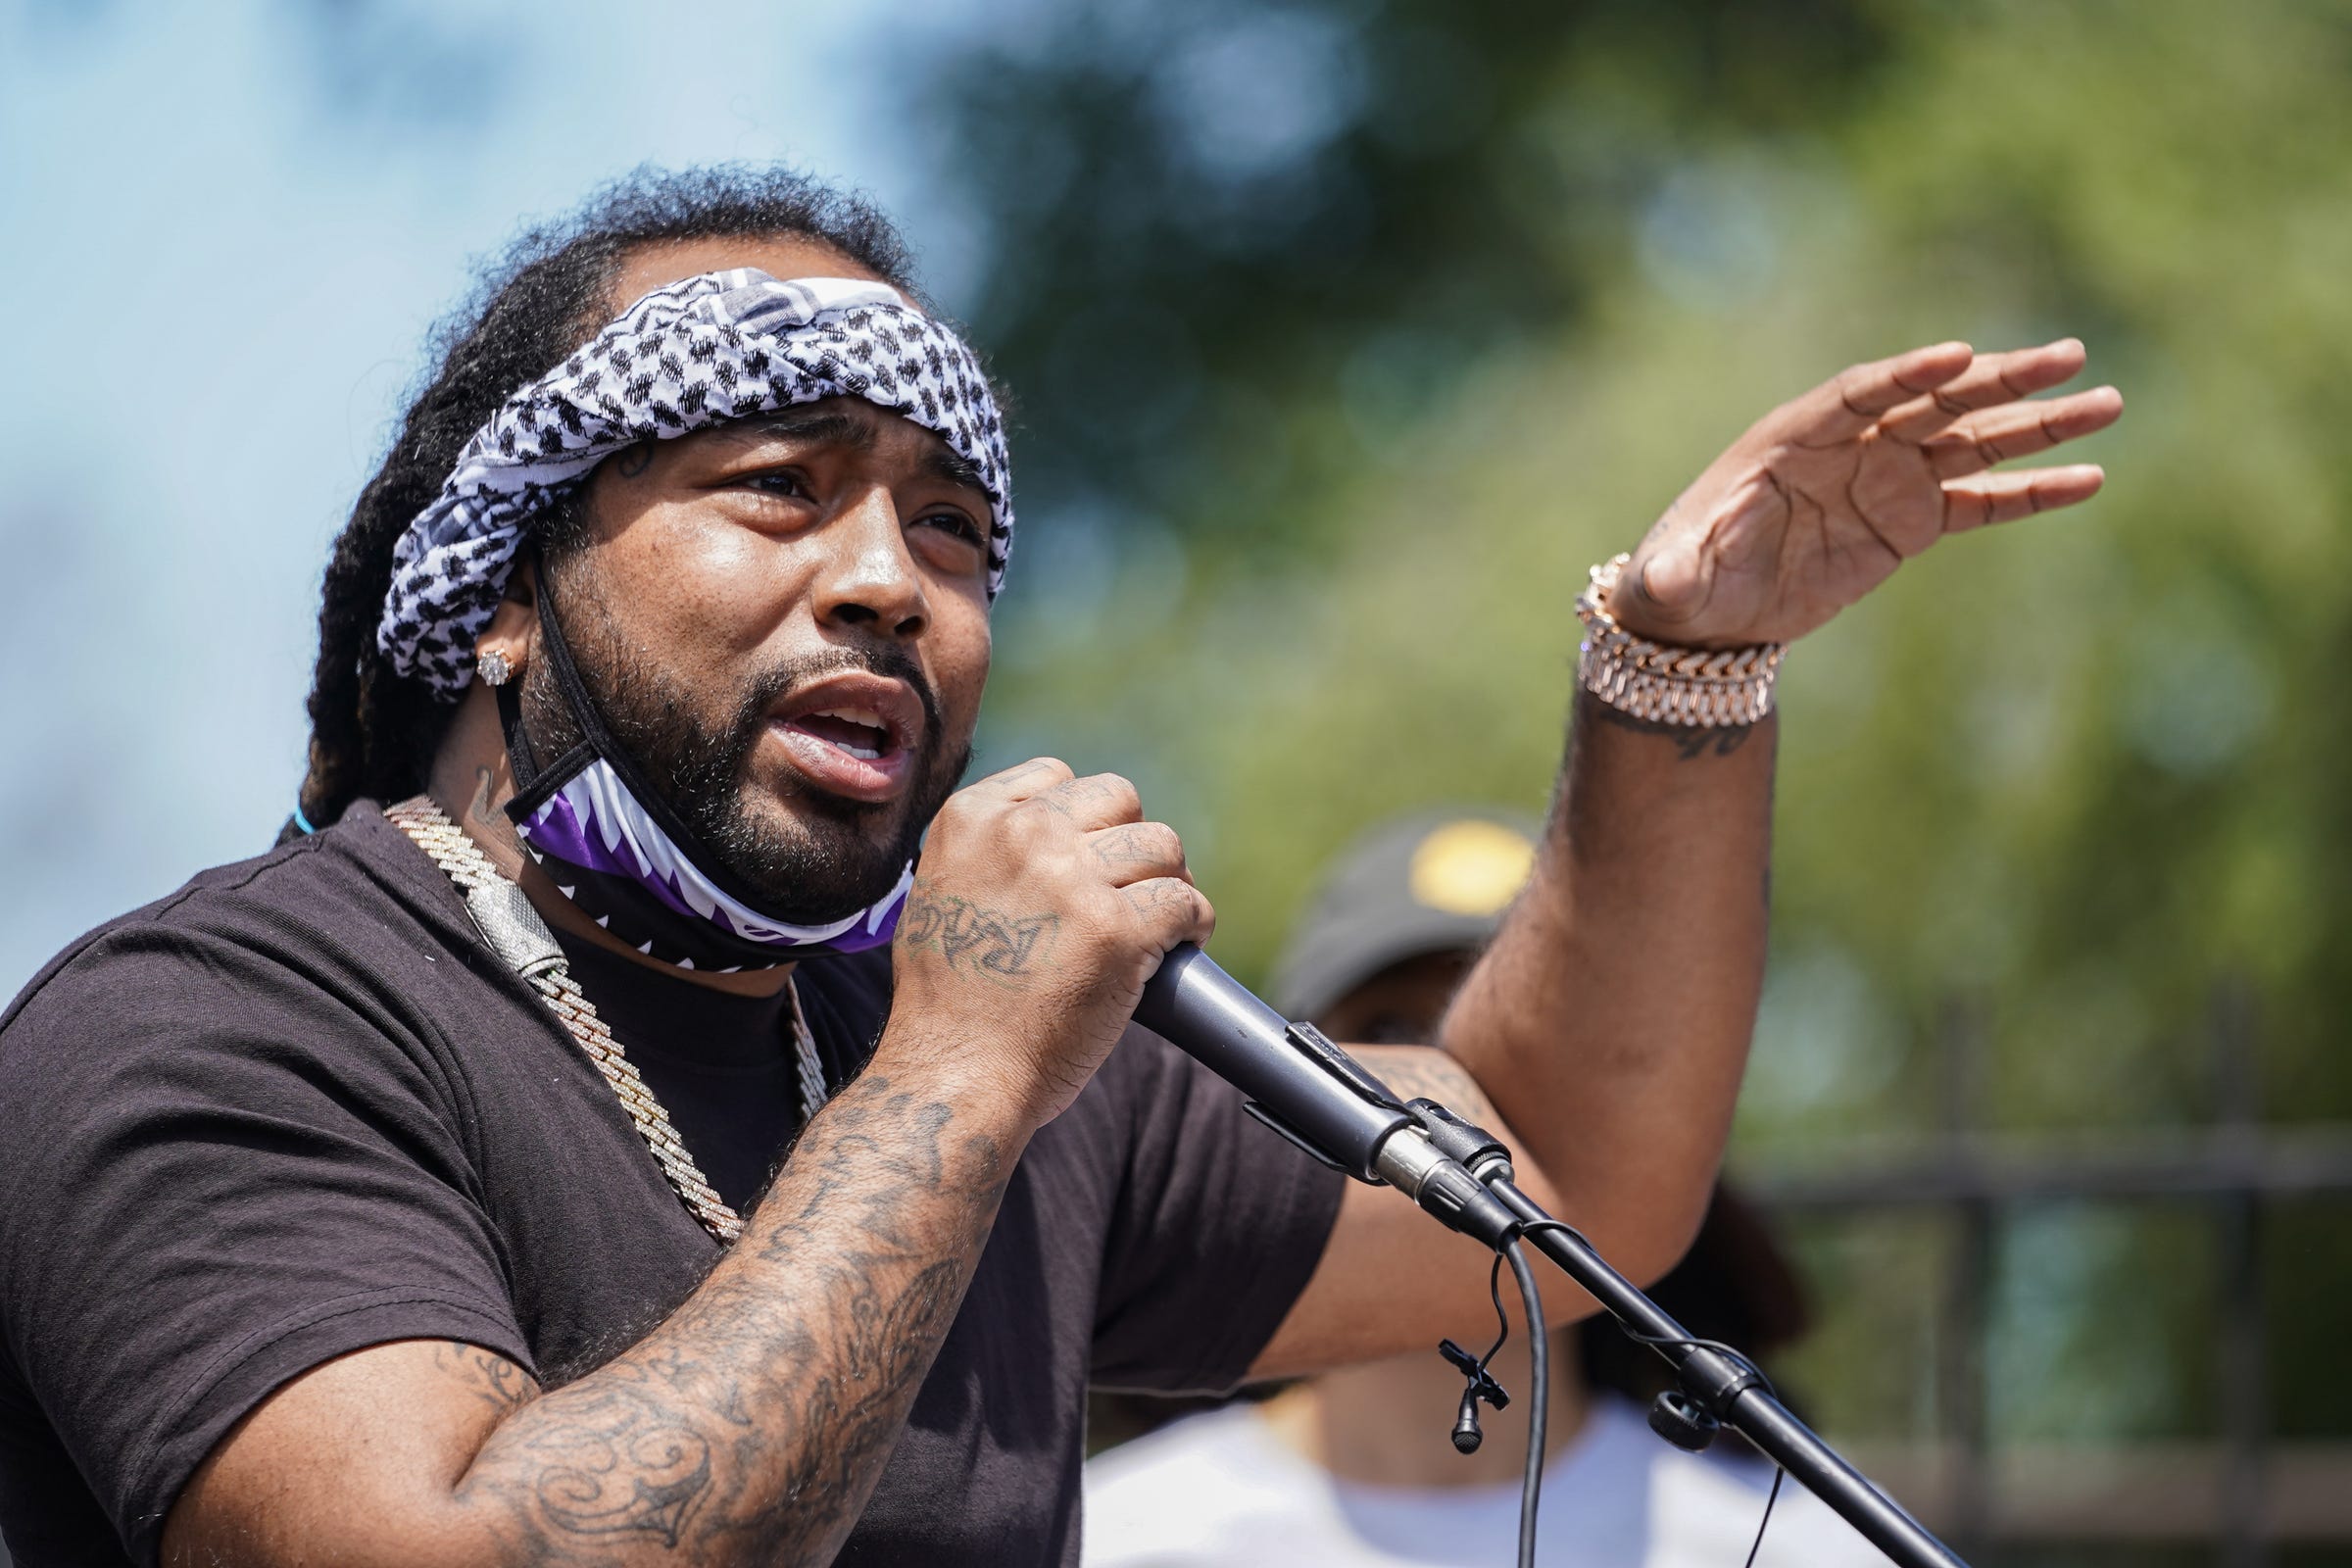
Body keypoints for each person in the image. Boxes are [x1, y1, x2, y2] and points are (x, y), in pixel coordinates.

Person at [0, 165, 2120, 1568]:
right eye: (778, 486)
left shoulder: (997, 1049)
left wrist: (1675, 664)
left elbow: (1571, 1173)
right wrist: (956, 1080)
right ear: (502, 593)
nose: (883, 582)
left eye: (948, 526)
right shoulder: (213, 1025)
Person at [1084, 809, 1885, 1567]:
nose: (1458, 1091)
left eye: (1529, 1043)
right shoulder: (1111, 1538)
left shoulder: (1796, 1546)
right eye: (1396, 1033)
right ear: (1278, 1087)